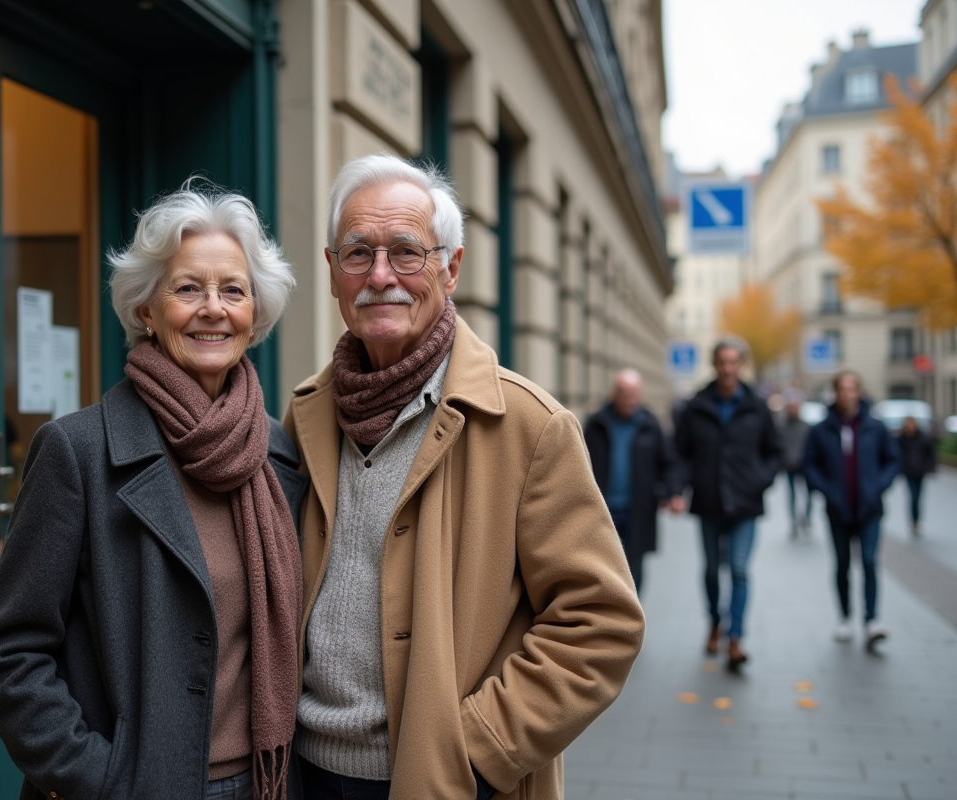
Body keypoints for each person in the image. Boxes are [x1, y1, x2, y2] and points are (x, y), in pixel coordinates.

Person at [284, 154, 644, 800]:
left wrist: (473, 752)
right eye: (358, 253)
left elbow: (600, 622)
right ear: (332, 270)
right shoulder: (306, 413)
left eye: (406, 252)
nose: (381, 275)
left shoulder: (529, 426)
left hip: (443, 782)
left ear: (450, 268)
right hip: (304, 773)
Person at [0, 185, 305, 800]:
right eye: (187, 289)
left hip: (265, 783)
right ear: (146, 309)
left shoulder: (280, 456)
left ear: (255, 313)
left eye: (233, 290)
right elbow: (8, 651)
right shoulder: (78, 451)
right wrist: (100, 780)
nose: (213, 308)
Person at [674, 339, 781, 671]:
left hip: (745, 505)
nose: (728, 368)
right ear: (714, 365)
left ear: (741, 365)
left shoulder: (756, 406)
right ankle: (714, 623)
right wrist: (679, 489)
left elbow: (774, 452)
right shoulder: (696, 406)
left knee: (738, 569)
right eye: (722, 362)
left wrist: (759, 480)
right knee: (710, 569)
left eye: (734, 362)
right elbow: (681, 453)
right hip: (708, 502)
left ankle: (735, 638)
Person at [801, 371, 900, 648]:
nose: (846, 394)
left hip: (870, 509)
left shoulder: (875, 427)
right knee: (842, 565)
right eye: (841, 389)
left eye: (851, 389)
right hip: (838, 510)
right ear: (834, 393)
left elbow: (892, 460)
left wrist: (878, 485)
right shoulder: (822, 430)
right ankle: (844, 617)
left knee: (869, 563)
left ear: (859, 391)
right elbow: (809, 465)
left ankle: (872, 621)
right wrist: (827, 490)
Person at [584, 369, 684, 593]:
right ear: (614, 394)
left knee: (634, 568)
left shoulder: (650, 424)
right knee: (604, 567)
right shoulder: (596, 424)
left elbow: (668, 462)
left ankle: (630, 619)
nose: (630, 400)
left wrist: (673, 492)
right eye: (625, 394)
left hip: (638, 510)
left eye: (634, 394)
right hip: (603, 510)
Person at [896, 416, 936, 537]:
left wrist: (929, 467)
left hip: (920, 472)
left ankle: (917, 521)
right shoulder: (901, 439)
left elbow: (931, 454)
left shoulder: (923, 437)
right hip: (909, 472)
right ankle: (913, 522)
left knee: (918, 497)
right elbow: (896, 454)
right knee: (913, 497)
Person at [779, 400, 814, 538]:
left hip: (804, 466)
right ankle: (794, 522)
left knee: (808, 495)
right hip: (790, 466)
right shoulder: (783, 427)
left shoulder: (805, 427)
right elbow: (780, 445)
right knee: (792, 495)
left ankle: (806, 519)